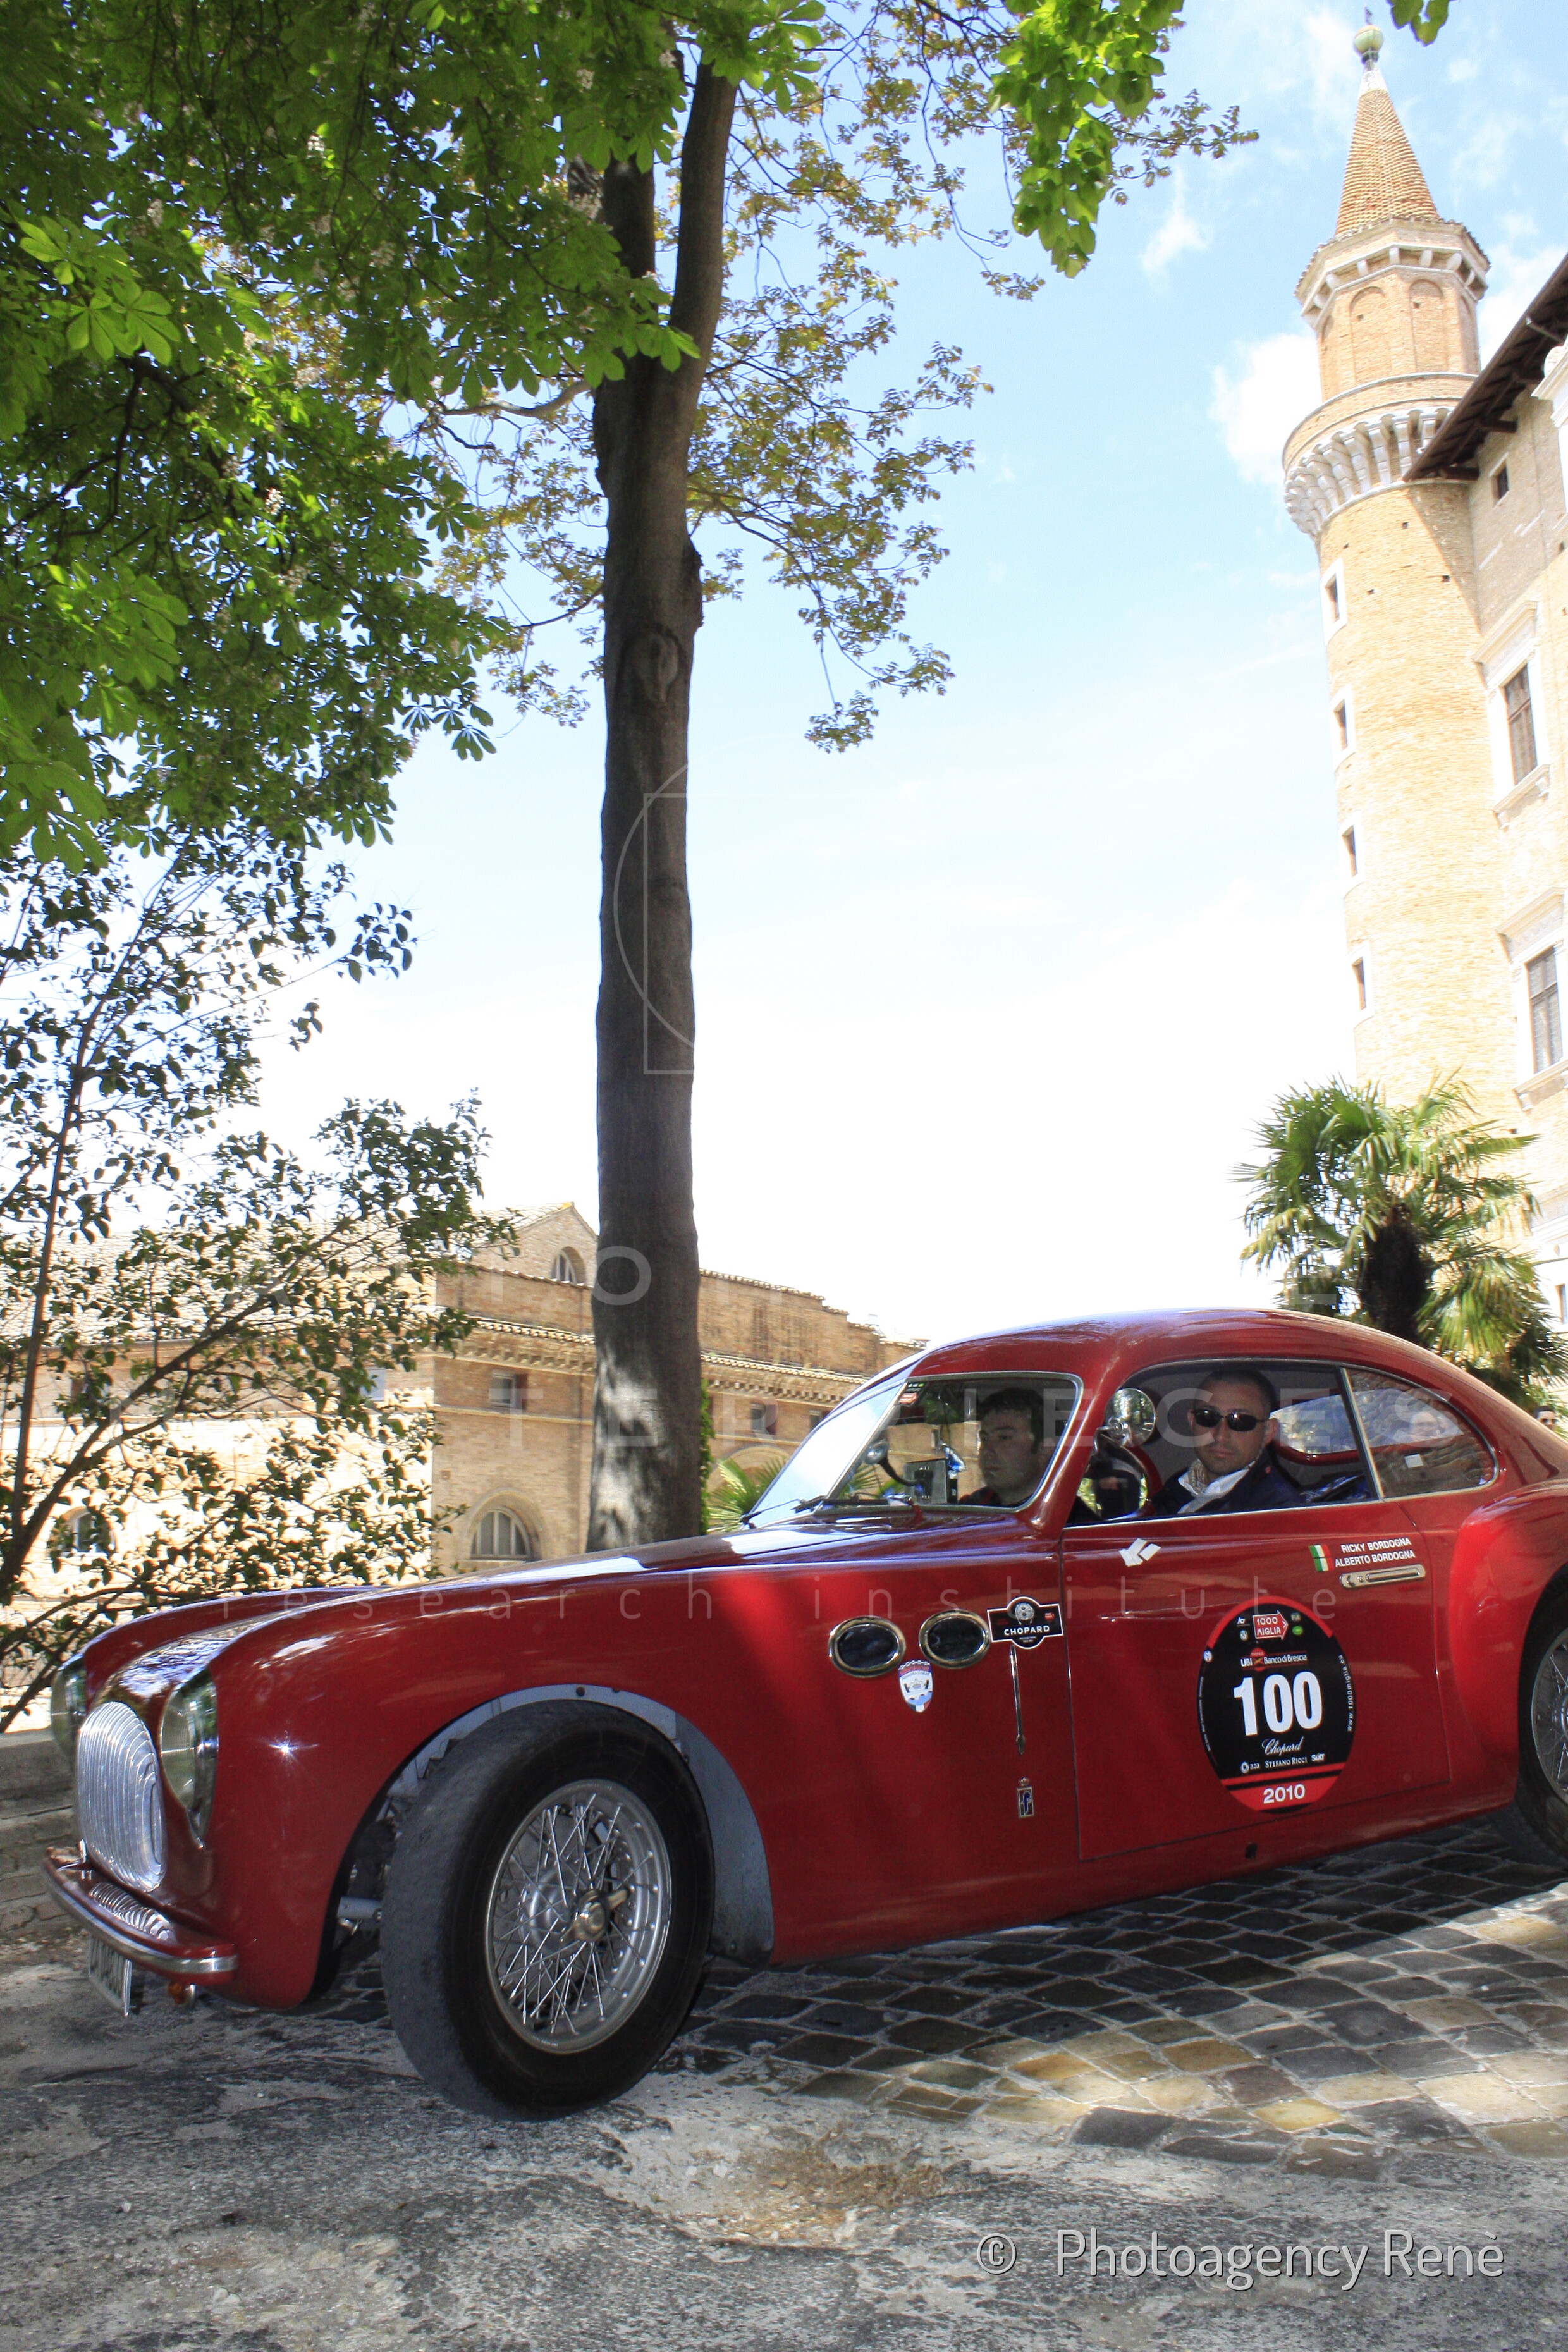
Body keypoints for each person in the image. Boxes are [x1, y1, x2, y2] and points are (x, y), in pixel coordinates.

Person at [1148, 1366, 1302, 1517]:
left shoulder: (1278, 1513)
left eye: (1240, 1421)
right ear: (1192, 1421)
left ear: (1267, 1431)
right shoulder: (1176, 1488)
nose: (1221, 1436)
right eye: (1208, 1416)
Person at [960, 1388, 1051, 1507]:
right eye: (985, 1439)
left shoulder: (1067, 1514)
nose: (987, 1451)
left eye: (1004, 1438)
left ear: (1044, 1449)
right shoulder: (972, 1506)